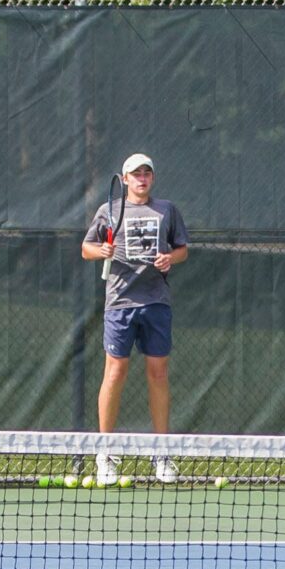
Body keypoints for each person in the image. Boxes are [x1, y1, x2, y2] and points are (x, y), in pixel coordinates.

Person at [82, 153, 189, 485]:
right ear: (124, 179)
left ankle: (161, 454)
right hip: (120, 303)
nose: (142, 178)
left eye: (147, 173)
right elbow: (87, 248)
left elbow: (182, 249)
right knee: (115, 371)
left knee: (158, 373)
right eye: (135, 173)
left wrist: (169, 258)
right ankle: (106, 453)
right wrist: (101, 251)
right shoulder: (109, 211)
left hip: (156, 302)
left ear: (152, 178)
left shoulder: (167, 210)